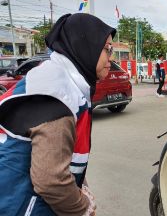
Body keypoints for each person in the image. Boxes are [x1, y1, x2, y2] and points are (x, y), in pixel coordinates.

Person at [0, 13, 116, 216]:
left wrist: (81, 188)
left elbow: (66, 157)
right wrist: (82, 208)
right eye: (107, 48)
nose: (111, 57)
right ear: (85, 45)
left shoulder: (62, 81)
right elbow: (51, 181)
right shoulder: (57, 94)